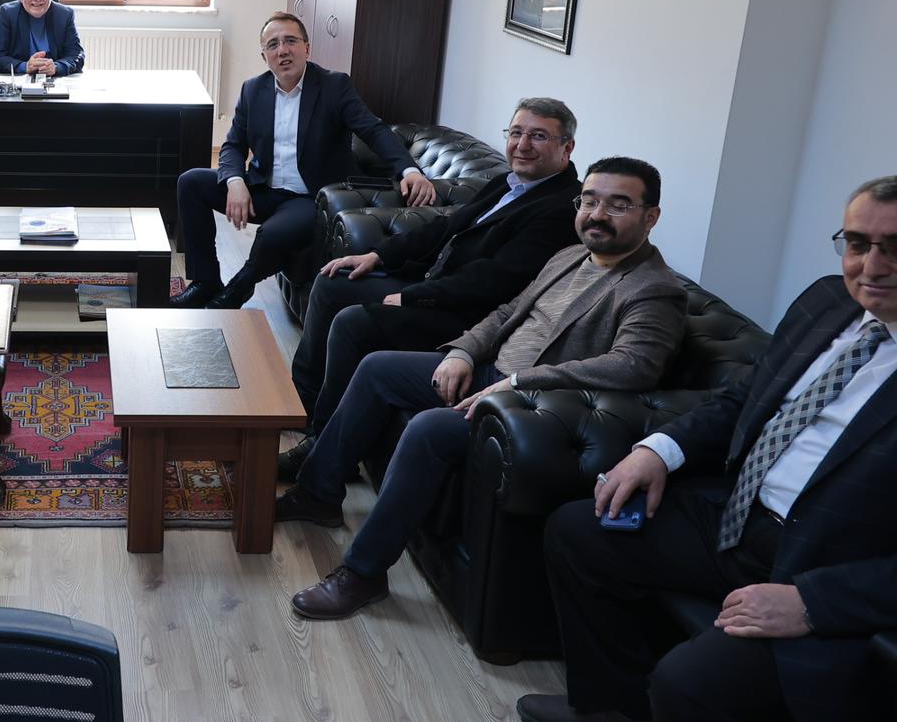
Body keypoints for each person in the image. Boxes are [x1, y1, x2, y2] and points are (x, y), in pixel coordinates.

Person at [514, 175, 897, 722]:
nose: (872, 266)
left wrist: (814, 602)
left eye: (894, 247)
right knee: (576, 532)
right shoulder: (826, 300)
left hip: (825, 565)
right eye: (857, 244)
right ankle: (609, 710)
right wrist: (658, 449)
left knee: (687, 684)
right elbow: (746, 396)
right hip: (736, 514)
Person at [282, 157, 686, 621]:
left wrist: (517, 383)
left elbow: (632, 367)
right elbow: (507, 312)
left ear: (650, 216)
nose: (597, 215)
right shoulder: (570, 256)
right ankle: (319, 492)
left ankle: (363, 573)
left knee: (430, 429)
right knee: (377, 369)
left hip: (529, 407)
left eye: (617, 205)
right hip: (490, 373)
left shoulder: (655, 290)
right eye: (590, 201)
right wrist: (463, 353)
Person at [279, 98, 583, 478]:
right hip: (433, 284)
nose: (522, 145)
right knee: (332, 282)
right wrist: (378, 255)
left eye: (538, 136)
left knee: (352, 323)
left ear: (567, 147)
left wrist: (411, 296)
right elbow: (444, 227)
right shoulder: (508, 183)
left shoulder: (560, 209)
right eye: (516, 132)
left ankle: (320, 444)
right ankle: (302, 405)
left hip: (464, 315)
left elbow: (495, 280)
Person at [172, 12, 435, 310]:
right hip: (264, 189)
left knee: (271, 235)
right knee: (191, 182)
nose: (282, 50)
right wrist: (235, 181)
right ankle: (205, 282)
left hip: (312, 196)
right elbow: (233, 145)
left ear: (307, 49)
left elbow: (373, 130)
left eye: (290, 41)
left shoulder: (334, 86)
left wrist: (409, 170)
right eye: (273, 45)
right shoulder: (253, 90)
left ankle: (233, 293)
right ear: (264, 56)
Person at [0, 0, 84, 77]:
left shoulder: (64, 14)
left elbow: (77, 55)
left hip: (53, 81)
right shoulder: (8, 13)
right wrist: (25, 66)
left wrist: (56, 67)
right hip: (19, 80)